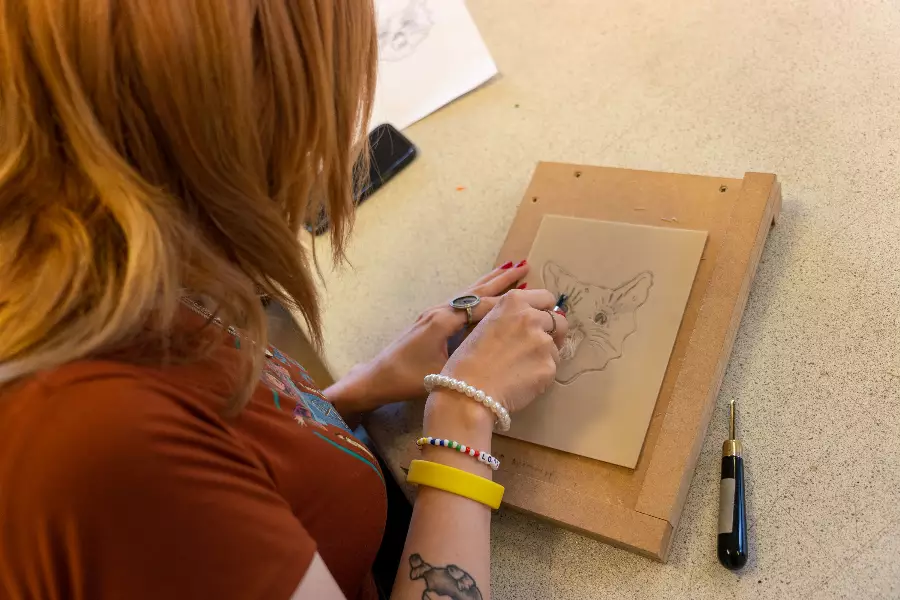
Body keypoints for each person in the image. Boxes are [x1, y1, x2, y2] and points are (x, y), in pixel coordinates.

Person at [0, 1, 569, 599]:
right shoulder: (106, 461)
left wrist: (352, 394)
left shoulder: (94, 279)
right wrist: (464, 413)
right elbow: (175, 487)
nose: (327, 154)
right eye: (319, 115)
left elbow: (222, 464)